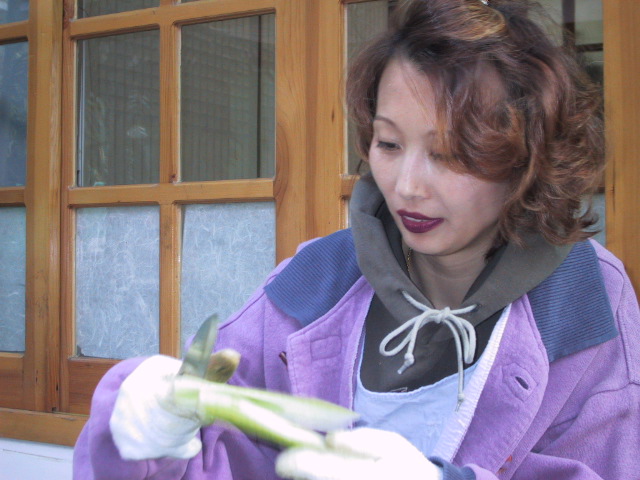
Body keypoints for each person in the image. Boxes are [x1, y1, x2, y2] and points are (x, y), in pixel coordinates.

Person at [73, 0, 640, 479]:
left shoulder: (587, 294)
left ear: (528, 158)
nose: (407, 186)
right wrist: (149, 436)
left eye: (449, 153)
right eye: (388, 144)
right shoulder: (316, 279)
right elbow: (222, 452)